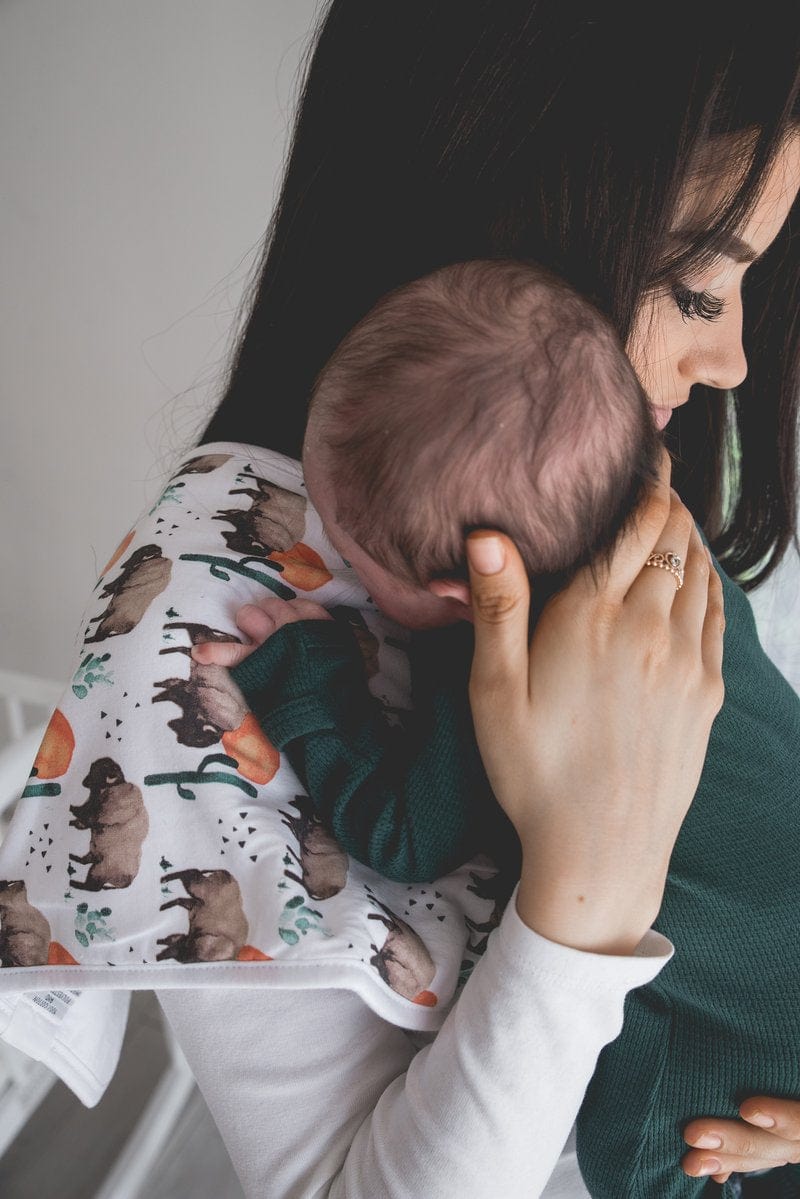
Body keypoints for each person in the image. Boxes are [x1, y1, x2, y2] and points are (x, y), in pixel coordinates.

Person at [5, 4, 800, 1196]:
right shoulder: (206, 606)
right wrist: (590, 883)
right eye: (693, 288)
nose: (731, 358)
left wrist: (309, 682)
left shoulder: (588, 539)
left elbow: (403, 826)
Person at [192, 254, 664, 893]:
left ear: (459, 597)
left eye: (347, 551)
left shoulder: (498, 658)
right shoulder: (660, 534)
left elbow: (405, 838)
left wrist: (308, 675)